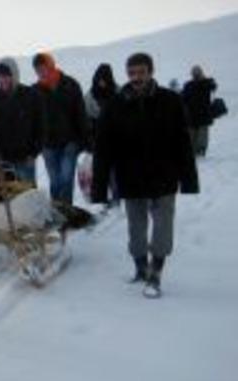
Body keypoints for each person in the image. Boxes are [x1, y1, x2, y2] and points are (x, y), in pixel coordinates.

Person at [92, 52, 199, 299]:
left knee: (163, 225)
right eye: (132, 73)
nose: (136, 78)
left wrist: (189, 179)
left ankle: (155, 273)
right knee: (136, 227)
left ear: (151, 72)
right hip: (131, 176)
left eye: (141, 72)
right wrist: (100, 187)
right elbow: (103, 148)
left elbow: (182, 142)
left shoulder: (170, 101)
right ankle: (140, 267)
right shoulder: (115, 105)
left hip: (164, 174)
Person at [0, 57, 44, 184]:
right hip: (1, 161)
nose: (3, 80)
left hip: (25, 160)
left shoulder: (31, 96)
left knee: (27, 194)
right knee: (3, 194)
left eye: (6, 76)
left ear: (14, 75)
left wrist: (34, 152)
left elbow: (42, 126)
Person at [32, 52, 89, 204]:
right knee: (55, 181)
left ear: (51, 65)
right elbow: (31, 120)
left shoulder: (70, 84)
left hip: (70, 141)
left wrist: (85, 139)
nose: (40, 72)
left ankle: (67, 211)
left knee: (66, 178)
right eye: (37, 70)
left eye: (43, 68)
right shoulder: (35, 91)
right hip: (47, 144)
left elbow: (81, 113)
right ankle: (57, 210)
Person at [83, 63, 119, 206]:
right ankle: (100, 202)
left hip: (116, 140)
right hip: (98, 140)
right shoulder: (89, 96)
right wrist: (88, 141)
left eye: (105, 79)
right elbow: (85, 120)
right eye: (100, 79)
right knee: (100, 173)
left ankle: (116, 199)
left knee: (115, 173)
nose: (102, 82)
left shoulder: (119, 92)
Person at [182, 65, 218, 157]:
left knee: (202, 134)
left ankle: (201, 150)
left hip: (203, 114)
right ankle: (192, 151)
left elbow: (213, 86)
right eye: (194, 73)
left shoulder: (206, 83)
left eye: (198, 73)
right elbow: (183, 98)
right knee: (191, 135)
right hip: (191, 115)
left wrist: (209, 80)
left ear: (201, 73)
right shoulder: (188, 85)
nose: (196, 75)